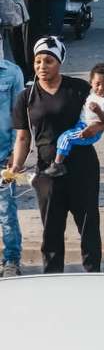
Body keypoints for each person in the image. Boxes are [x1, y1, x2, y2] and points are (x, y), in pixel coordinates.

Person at [7, 37, 103, 273]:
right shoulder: (26, 97)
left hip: (83, 168)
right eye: (38, 61)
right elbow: (23, 137)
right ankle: (52, 278)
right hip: (47, 171)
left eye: (48, 61)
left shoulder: (78, 88)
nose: (42, 66)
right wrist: (16, 166)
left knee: (88, 224)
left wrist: (97, 127)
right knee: (51, 229)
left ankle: (94, 275)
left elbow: (101, 115)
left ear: (59, 62)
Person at [44, 61, 104, 179]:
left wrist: (98, 111)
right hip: (81, 124)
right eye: (97, 84)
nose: (101, 88)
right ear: (91, 82)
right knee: (66, 137)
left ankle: (58, 165)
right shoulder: (91, 95)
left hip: (91, 131)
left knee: (66, 137)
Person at [0, 45, 23, 277]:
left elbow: (19, 118)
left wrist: (16, 155)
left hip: (4, 157)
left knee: (7, 212)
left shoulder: (11, 72)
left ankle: (11, 260)